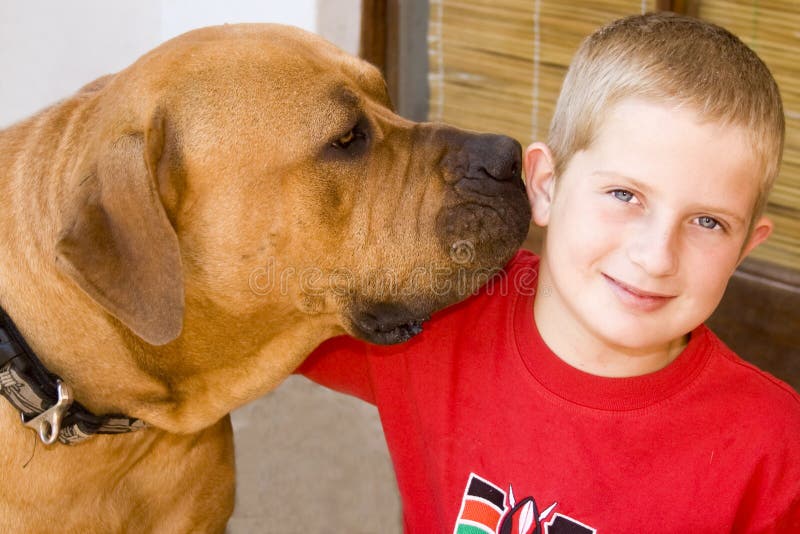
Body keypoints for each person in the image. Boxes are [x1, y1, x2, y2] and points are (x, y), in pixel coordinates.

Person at [299, 12, 800, 533]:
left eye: (707, 222)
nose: (655, 257)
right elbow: (239, 319)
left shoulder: (775, 450)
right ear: (545, 186)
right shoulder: (440, 305)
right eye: (624, 195)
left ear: (744, 247)